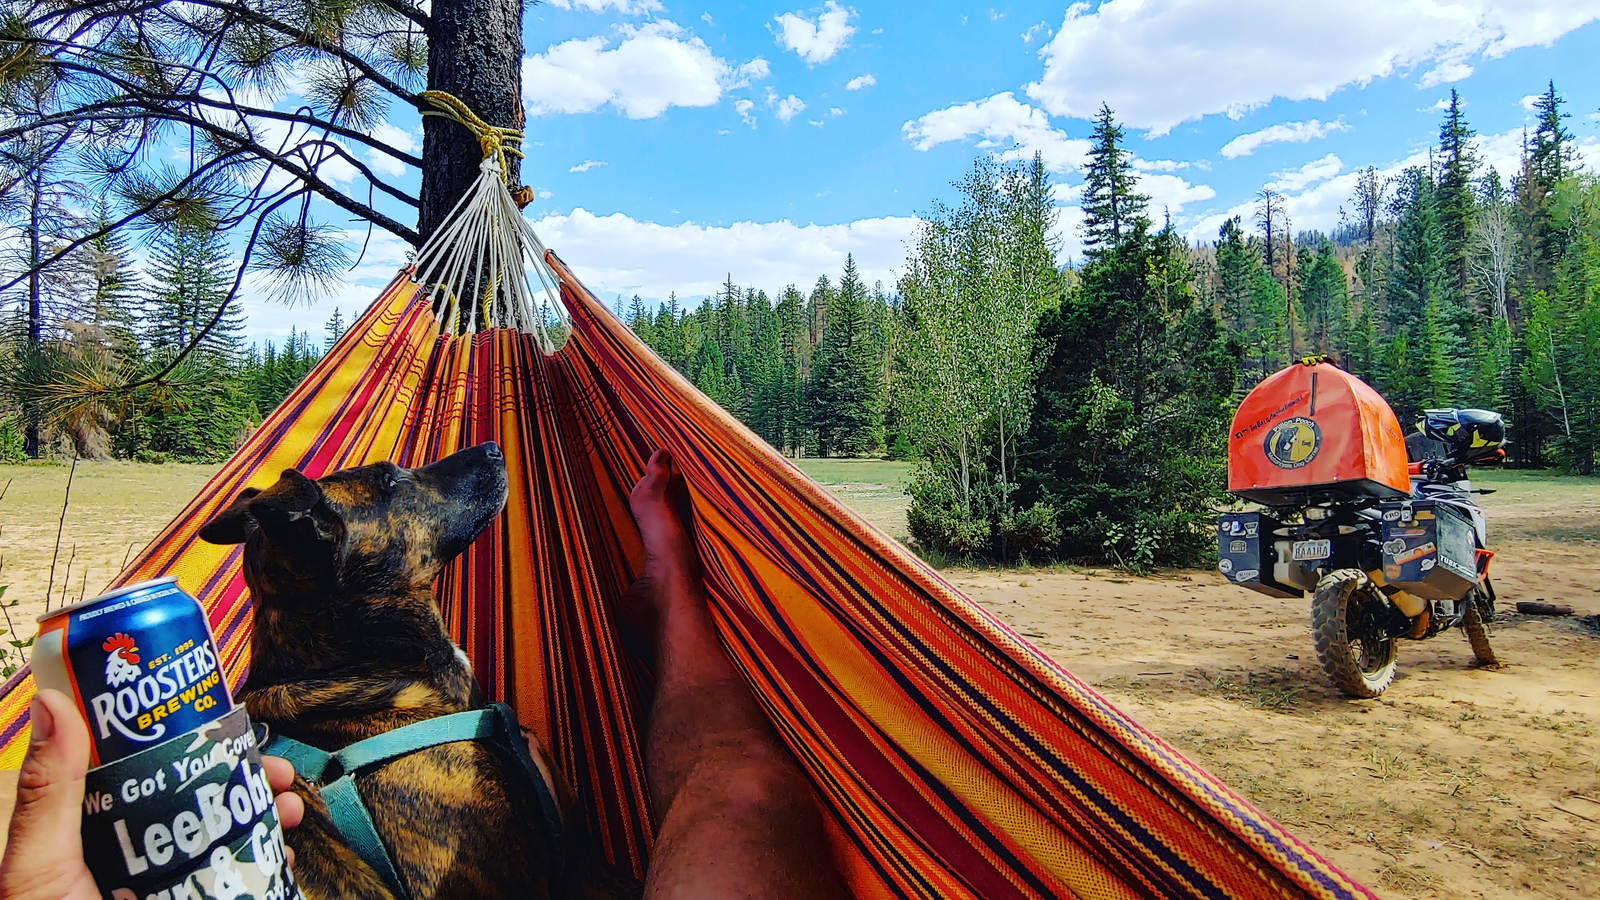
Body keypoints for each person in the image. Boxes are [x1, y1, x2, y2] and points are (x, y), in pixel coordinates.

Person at [0, 450, 844, 900]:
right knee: (744, 790)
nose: (438, 478)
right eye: (401, 488)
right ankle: (676, 600)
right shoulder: (416, 785)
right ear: (328, 552)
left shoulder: (276, 755)